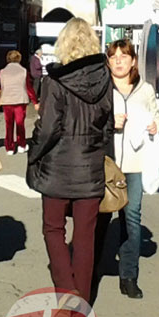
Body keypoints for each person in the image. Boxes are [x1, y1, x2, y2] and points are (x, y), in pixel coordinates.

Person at [27, 18, 113, 301]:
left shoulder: (55, 81)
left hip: (58, 167)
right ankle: (82, 299)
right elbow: (107, 126)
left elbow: (49, 127)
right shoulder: (105, 78)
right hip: (90, 167)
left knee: (53, 230)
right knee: (85, 236)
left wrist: (33, 154)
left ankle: (66, 291)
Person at [106, 38, 159, 299]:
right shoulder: (102, 88)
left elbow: (157, 117)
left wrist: (155, 126)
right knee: (100, 216)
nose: (119, 61)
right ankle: (92, 267)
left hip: (137, 163)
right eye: (114, 56)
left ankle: (129, 275)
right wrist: (110, 123)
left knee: (132, 217)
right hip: (108, 163)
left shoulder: (145, 89)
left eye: (124, 56)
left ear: (132, 61)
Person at [0, 50, 38, 154]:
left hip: (7, 100)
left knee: (8, 124)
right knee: (20, 124)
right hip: (20, 100)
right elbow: (29, 88)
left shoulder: (1, 72)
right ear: (19, 58)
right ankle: (21, 145)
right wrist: (35, 101)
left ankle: (9, 147)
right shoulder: (24, 71)